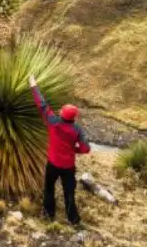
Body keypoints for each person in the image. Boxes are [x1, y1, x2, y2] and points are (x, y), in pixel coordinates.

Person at [28, 74, 91, 226]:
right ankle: (73, 220)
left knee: (49, 188)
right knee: (69, 192)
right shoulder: (77, 130)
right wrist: (74, 150)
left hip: (53, 164)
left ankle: (49, 214)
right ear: (74, 118)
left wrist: (33, 85)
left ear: (61, 113)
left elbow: (42, 105)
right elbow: (86, 148)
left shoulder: (53, 122)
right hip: (68, 167)